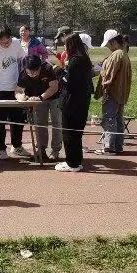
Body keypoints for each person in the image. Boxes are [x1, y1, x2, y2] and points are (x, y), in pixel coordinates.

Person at [0, 26, 27, 159]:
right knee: (0, 122)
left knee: (18, 120)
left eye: (7, 41)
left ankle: (17, 146)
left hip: (16, 90)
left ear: (10, 37)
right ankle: (1, 148)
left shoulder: (16, 44)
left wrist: (21, 82)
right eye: (2, 43)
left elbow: (23, 60)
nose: (6, 44)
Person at [56, 32, 92, 172]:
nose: (65, 48)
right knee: (76, 133)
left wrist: (59, 71)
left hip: (72, 102)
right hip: (82, 101)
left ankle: (72, 163)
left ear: (71, 45)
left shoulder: (75, 61)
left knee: (69, 133)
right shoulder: (85, 59)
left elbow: (68, 82)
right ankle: (76, 161)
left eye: (66, 45)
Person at [16, 55, 61, 163]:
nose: (32, 74)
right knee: (40, 123)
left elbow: (54, 87)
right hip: (37, 99)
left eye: (35, 72)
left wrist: (40, 97)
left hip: (54, 97)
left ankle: (55, 150)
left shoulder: (48, 68)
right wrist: (21, 97)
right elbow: (18, 90)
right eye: (29, 72)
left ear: (40, 67)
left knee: (56, 122)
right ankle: (41, 149)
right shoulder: (23, 73)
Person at [95, 31, 131, 156]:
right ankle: (117, 146)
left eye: (108, 45)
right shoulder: (124, 54)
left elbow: (109, 76)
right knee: (118, 120)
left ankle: (109, 147)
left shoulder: (116, 55)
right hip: (121, 92)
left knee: (109, 119)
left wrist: (103, 86)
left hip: (112, 92)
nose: (108, 47)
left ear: (114, 42)